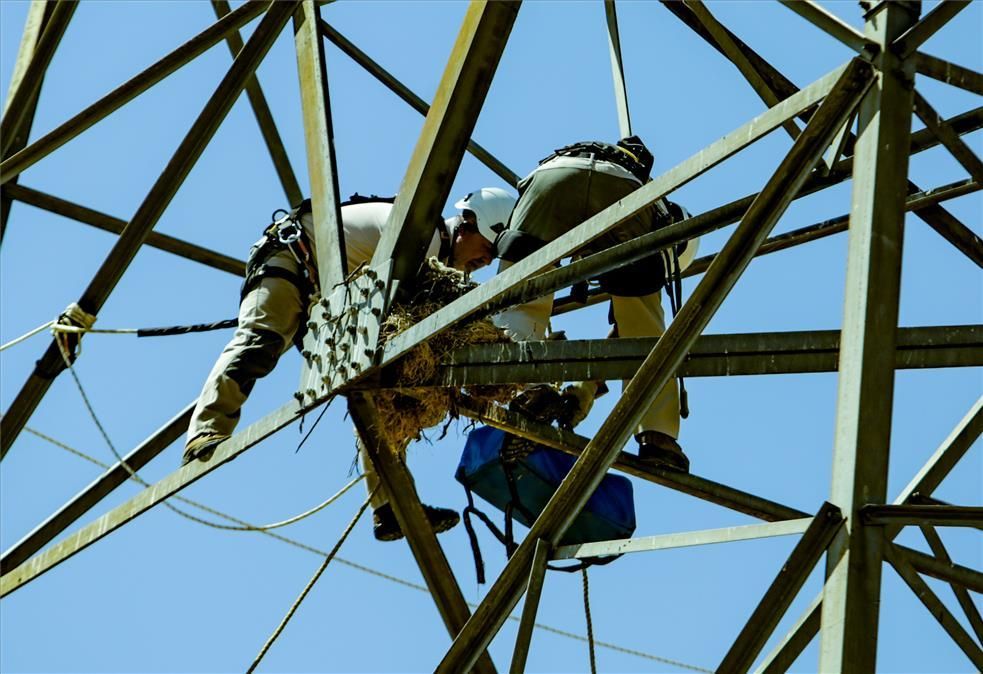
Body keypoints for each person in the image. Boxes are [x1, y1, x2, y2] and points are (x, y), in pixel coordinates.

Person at [183, 187, 517, 540]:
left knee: (381, 396)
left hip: (325, 299)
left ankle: (390, 506)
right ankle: (206, 431)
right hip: (292, 261)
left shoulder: (436, 251)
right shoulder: (426, 236)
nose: (487, 260)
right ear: (468, 223)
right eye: (488, 247)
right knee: (261, 341)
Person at [492, 137, 698, 471]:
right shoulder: (662, 217)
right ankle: (658, 438)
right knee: (644, 329)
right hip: (623, 194)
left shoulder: (635, 176)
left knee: (521, 294)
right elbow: (630, 335)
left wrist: (583, 391)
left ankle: (528, 386)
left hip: (552, 177)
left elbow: (615, 338)